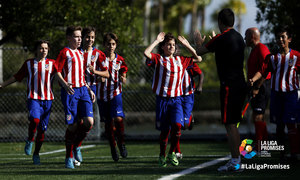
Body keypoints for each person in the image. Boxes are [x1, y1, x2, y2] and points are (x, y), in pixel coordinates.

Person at [194, 8, 247, 172]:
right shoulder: (239, 37)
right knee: (233, 124)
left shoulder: (221, 38)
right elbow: (223, 49)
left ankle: (235, 162)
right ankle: (236, 159)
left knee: (230, 124)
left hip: (229, 85)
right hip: (240, 83)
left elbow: (198, 52)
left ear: (220, 22)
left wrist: (197, 42)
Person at [144, 32, 202, 167]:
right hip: (162, 100)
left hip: (176, 100)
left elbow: (198, 58)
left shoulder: (181, 60)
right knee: (165, 131)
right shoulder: (159, 59)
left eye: (173, 45)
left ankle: (171, 153)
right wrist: (156, 41)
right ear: (163, 47)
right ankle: (162, 154)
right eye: (169, 45)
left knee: (177, 126)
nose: (171, 47)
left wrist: (187, 45)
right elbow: (146, 53)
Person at [0, 40, 57, 165]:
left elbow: (61, 77)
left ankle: (36, 154)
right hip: (34, 98)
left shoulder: (53, 63)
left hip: (48, 100)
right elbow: (17, 76)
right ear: (36, 50)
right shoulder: (29, 63)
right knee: (35, 120)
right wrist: (2, 85)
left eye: (46, 48)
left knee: (42, 130)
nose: (44, 51)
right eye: (41, 48)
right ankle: (30, 139)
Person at [249, 26, 300, 162]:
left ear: (289, 39)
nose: (280, 39)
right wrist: (254, 80)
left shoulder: (296, 56)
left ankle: (295, 153)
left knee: (291, 124)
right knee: (279, 126)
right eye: (278, 37)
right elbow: (263, 72)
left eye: (283, 37)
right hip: (276, 95)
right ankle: (282, 154)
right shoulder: (272, 57)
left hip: (291, 95)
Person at [55, 26, 96, 169]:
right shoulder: (64, 53)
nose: (79, 39)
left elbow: (82, 75)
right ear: (68, 38)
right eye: (76, 37)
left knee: (89, 122)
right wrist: (65, 85)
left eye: (80, 37)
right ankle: (68, 157)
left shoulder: (81, 53)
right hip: (70, 92)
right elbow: (57, 72)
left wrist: (89, 89)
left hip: (83, 90)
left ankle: (77, 146)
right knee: (72, 125)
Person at [75, 27, 109, 162]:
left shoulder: (99, 54)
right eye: (88, 37)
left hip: (91, 89)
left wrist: (95, 71)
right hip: (77, 88)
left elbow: (106, 74)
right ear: (82, 38)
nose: (90, 40)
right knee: (77, 122)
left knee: (89, 122)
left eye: (93, 37)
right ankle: (71, 153)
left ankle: (76, 146)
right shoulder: (76, 52)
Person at [96, 32, 128, 162]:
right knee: (108, 124)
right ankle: (113, 147)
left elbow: (124, 75)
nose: (111, 46)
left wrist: (123, 78)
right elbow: (94, 76)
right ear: (104, 45)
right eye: (109, 44)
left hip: (115, 93)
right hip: (102, 95)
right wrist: (99, 78)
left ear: (116, 45)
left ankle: (121, 143)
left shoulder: (120, 60)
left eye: (113, 44)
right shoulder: (99, 59)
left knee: (118, 119)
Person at [244, 27, 271, 152]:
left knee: (258, 117)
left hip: (262, 87)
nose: (245, 38)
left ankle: (262, 147)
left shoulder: (262, 49)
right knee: (257, 117)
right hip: (256, 87)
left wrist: (257, 87)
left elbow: (265, 71)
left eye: (246, 36)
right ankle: (263, 144)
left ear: (252, 37)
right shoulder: (253, 50)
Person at [176, 63, 204, 159]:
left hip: (188, 96)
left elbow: (200, 73)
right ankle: (177, 151)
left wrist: (200, 86)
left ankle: (189, 118)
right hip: (175, 96)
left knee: (184, 125)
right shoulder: (167, 61)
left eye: (176, 47)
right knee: (176, 125)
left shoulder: (187, 61)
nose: (173, 48)